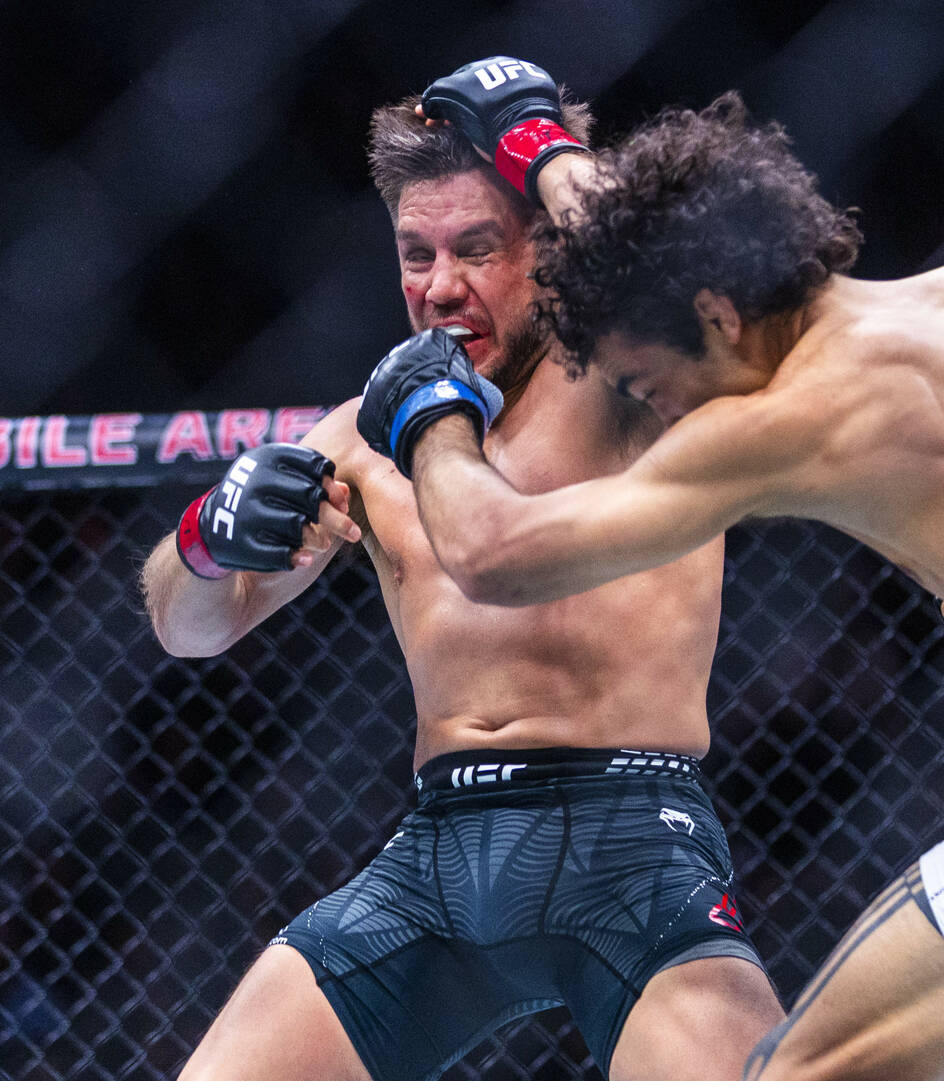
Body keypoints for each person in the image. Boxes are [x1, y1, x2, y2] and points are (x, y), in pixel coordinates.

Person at [365, 57, 944, 1081]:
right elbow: (664, 245)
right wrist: (540, 148)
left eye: (647, 382)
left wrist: (430, 417)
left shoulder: (802, 408)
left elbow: (500, 556)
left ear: (718, 316)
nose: (664, 417)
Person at [139, 80, 785, 1081]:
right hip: (437, 864)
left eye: (477, 249)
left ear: (551, 249)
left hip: (632, 845)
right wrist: (207, 537)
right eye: (417, 253)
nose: (441, 287)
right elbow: (186, 628)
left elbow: (675, 252)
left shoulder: (637, 383)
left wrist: (535, 143)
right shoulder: (366, 432)